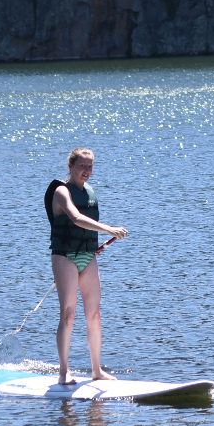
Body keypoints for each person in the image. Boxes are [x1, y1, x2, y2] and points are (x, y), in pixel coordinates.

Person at [49, 148, 128, 384]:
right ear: (71, 166)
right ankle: (64, 373)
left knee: (94, 314)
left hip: (88, 256)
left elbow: (86, 223)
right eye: (82, 166)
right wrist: (109, 229)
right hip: (65, 257)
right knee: (69, 314)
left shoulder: (90, 193)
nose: (87, 171)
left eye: (90, 166)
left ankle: (96, 370)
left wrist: (101, 236)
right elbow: (74, 217)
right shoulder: (61, 191)